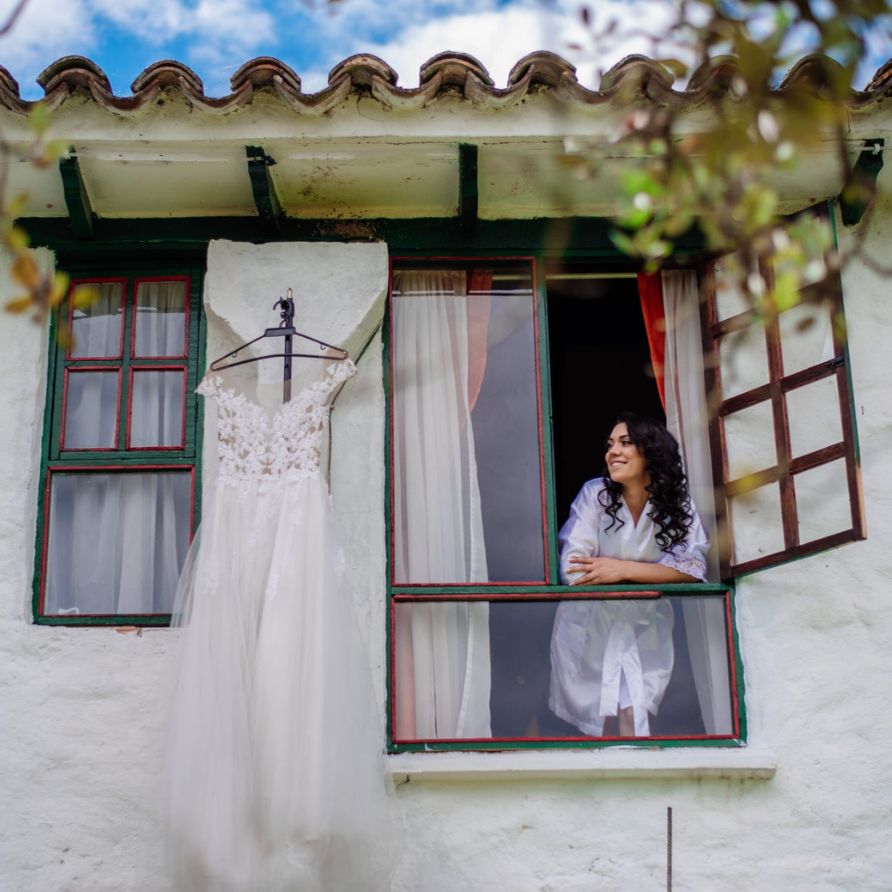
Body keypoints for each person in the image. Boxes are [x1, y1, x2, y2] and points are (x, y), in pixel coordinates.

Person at [548, 411, 709, 738]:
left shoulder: (677, 505)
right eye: (610, 445)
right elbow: (573, 570)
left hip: (645, 630)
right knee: (597, 723)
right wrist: (659, 572)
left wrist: (620, 569)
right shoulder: (595, 496)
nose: (612, 452)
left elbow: (694, 567)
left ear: (651, 451)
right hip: (589, 631)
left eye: (625, 442)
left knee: (635, 718)